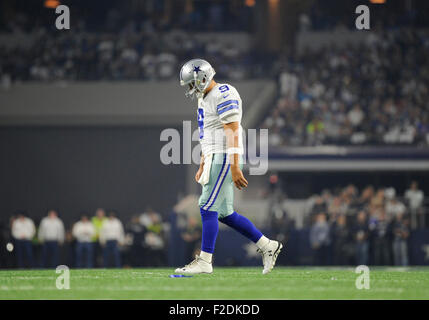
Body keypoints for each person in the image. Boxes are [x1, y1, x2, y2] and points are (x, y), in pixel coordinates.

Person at [175, 59, 282, 274]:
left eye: (192, 83)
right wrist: (204, 161)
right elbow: (209, 135)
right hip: (215, 155)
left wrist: (234, 164)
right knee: (224, 213)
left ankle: (205, 261)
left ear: (202, 78)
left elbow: (232, 130)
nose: (190, 88)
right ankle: (267, 245)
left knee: (206, 205)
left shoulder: (224, 92)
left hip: (225, 155)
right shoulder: (204, 98)